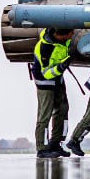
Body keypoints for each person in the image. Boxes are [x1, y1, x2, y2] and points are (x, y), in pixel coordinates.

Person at [32, 28, 74, 159]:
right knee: (44, 115)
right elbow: (46, 73)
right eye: (70, 33)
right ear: (61, 35)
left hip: (58, 80)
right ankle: (42, 148)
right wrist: (60, 67)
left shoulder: (61, 41)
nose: (72, 35)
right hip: (45, 83)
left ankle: (55, 144)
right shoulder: (45, 48)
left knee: (62, 110)